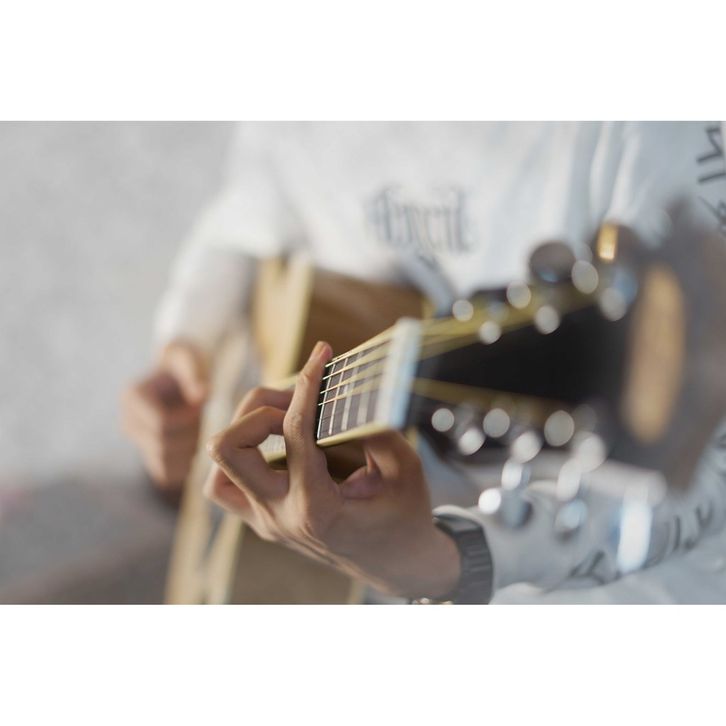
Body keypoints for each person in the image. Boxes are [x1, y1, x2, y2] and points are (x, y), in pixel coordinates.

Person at [122, 122, 726, 603]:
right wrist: (185, 346)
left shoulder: (653, 129)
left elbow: (706, 467)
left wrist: (448, 559)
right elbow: (251, 203)